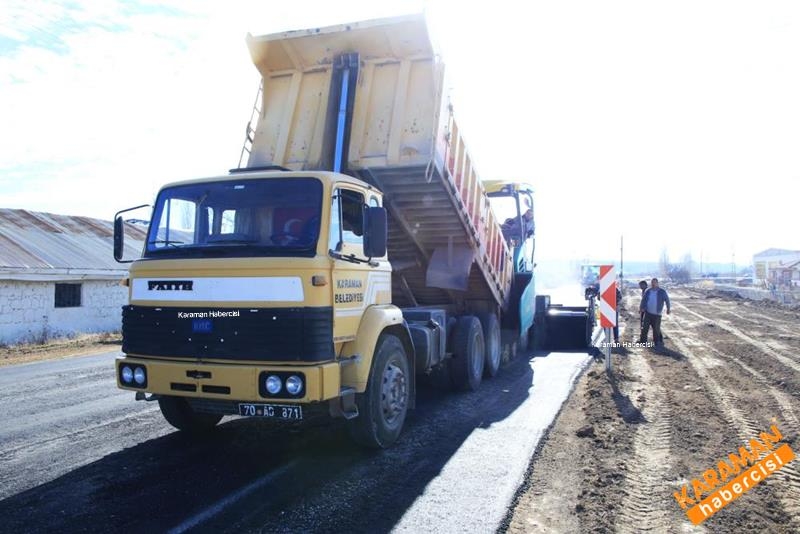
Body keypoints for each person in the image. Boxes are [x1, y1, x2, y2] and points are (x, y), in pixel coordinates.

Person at [639, 278, 670, 347]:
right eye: (652, 283)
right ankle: (643, 341)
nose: (653, 284)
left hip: (657, 314)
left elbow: (667, 300)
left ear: (657, 283)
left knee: (656, 329)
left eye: (654, 283)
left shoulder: (662, 292)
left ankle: (657, 342)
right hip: (648, 313)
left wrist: (668, 308)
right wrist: (641, 308)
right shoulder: (648, 291)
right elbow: (643, 300)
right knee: (645, 328)